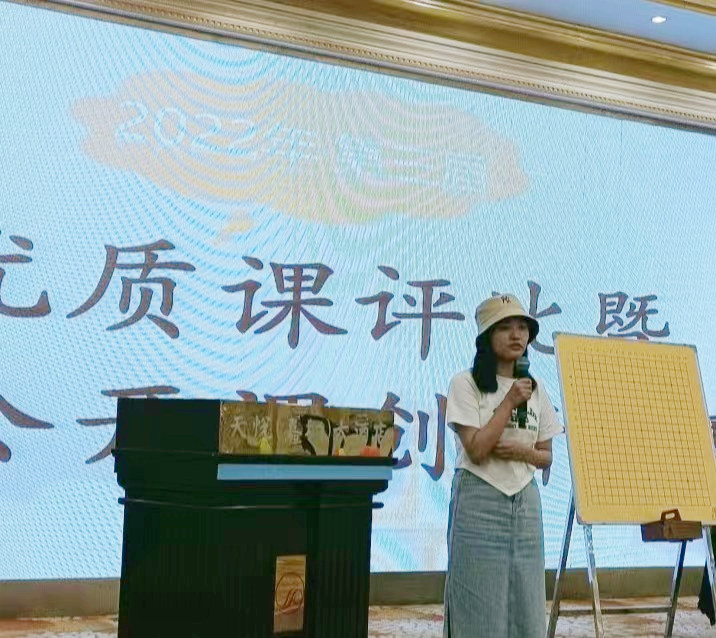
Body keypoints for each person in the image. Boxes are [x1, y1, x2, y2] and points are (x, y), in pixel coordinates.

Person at [443, 294, 562, 638]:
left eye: (522, 327)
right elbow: (478, 449)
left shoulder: (536, 389)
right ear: (486, 337)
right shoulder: (465, 383)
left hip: (525, 502)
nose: (516, 335)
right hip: (479, 499)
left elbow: (546, 456)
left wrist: (524, 453)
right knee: (477, 601)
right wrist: (509, 402)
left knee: (526, 600)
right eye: (505, 327)